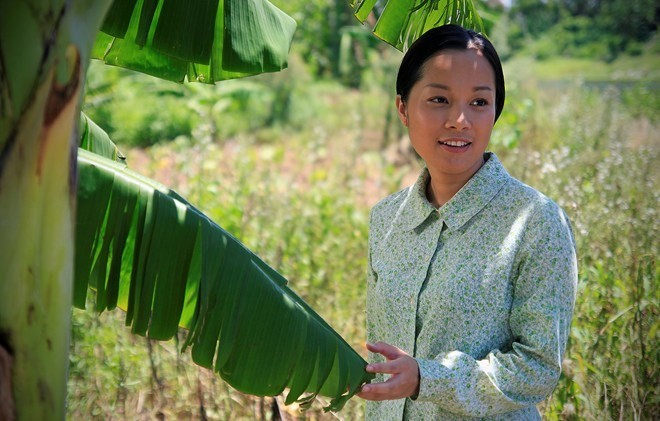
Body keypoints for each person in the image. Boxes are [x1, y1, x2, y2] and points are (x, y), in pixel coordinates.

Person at [357, 24, 578, 420]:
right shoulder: (386, 219)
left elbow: (538, 367)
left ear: (496, 111)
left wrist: (427, 377)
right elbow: (382, 351)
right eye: (439, 99)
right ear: (403, 109)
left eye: (479, 102)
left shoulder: (536, 222)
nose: (460, 120)